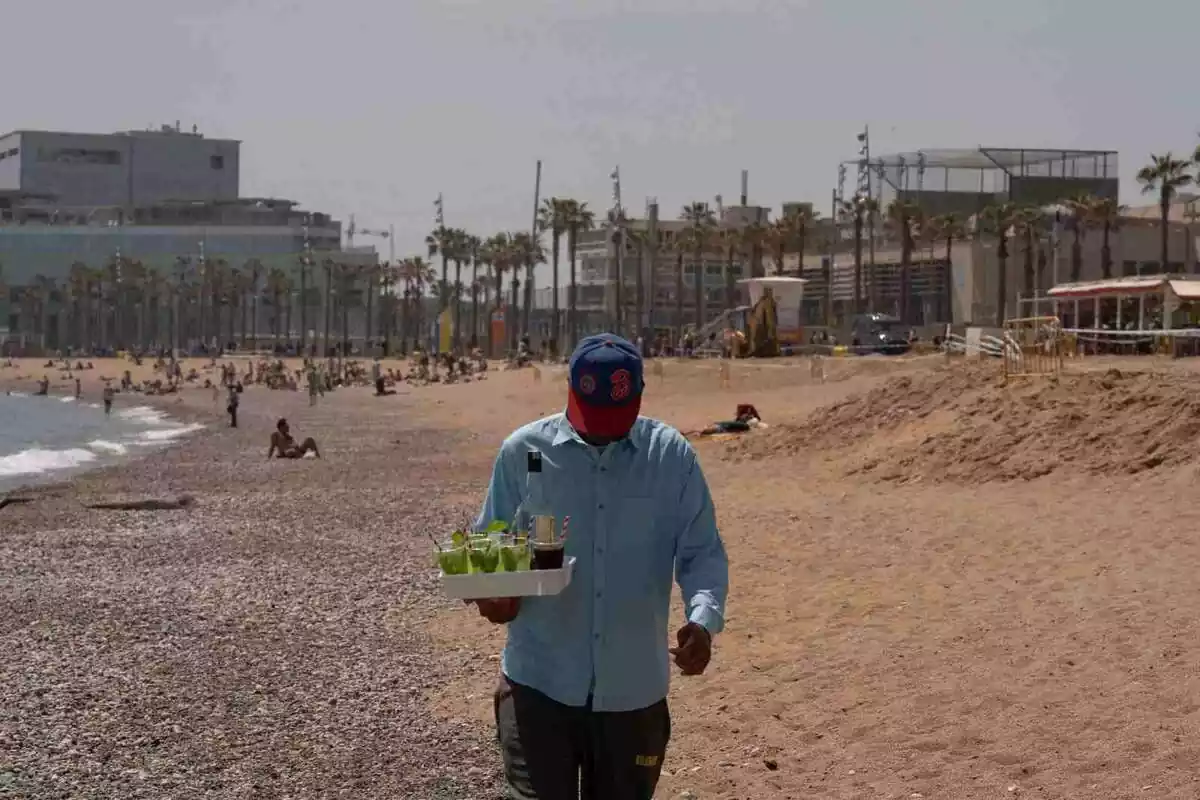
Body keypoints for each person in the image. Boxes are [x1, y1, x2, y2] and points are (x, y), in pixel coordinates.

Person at [472, 333, 729, 798]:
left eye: (615, 421)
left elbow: (702, 552)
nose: (602, 434)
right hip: (538, 683)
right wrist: (493, 594)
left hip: (633, 695)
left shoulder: (670, 458)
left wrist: (703, 620)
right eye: (591, 421)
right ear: (569, 391)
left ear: (638, 397)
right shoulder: (525, 452)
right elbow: (488, 546)